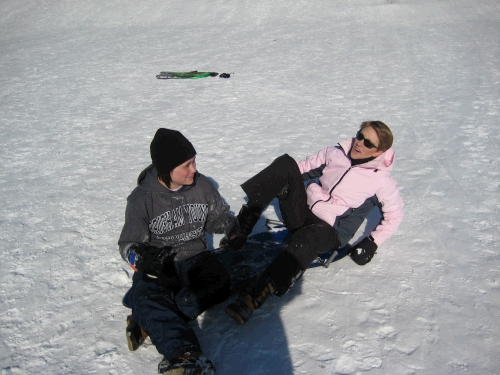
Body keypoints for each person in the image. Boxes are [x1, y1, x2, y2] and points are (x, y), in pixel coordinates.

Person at [221, 121, 404, 324]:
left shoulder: (382, 183)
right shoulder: (336, 153)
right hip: (303, 214)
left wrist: (372, 242)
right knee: (285, 163)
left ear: (379, 151)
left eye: (368, 143)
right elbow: (300, 168)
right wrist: (282, 180)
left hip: (329, 232)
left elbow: (395, 215)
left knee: (309, 237)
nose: (359, 143)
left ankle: (257, 293)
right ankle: (244, 226)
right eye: (359, 135)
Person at [118, 128, 238, 374]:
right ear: (166, 169)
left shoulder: (201, 185)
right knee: (148, 294)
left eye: (194, 161)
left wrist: (230, 225)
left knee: (219, 284)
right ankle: (186, 356)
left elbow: (216, 217)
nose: (194, 169)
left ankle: (146, 321)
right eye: (186, 165)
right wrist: (140, 257)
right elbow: (127, 244)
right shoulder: (141, 200)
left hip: (195, 258)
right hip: (160, 266)